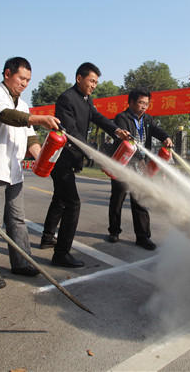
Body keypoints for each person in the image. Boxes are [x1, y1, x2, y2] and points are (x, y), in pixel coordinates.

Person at [0, 57, 61, 289]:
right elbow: (7, 116)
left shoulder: (23, 105)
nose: (24, 83)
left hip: (13, 170)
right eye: (21, 78)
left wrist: (44, 158)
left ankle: (21, 262)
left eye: (28, 80)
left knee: (17, 219)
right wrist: (40, 119)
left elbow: (30, 137)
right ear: (7, 74)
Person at [40, 63, 130, 268]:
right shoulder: (66, 98)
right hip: (61, 159)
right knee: (73, 203)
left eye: (96, 82)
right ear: (79, 78)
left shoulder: (87, 100)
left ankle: (47, 237)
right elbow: (71, 131)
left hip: (71, 159)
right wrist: (92, 151)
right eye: (91, 81)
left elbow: (97, 118)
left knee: (60, 199)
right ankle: (61, 253)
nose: (94, 86)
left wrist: (116, 131)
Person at [107, 88, 173, 250]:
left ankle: (143, 236)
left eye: (147, 103)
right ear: (131, 102)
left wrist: (165, 137)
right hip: (123, 164)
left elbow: (155, 130)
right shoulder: (122, 118)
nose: (144, 106)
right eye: (141, 103)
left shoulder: (148, 119)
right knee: (118, 199)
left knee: (140, 200)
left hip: (140, 165)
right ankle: (114, 231)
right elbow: (126, 140)